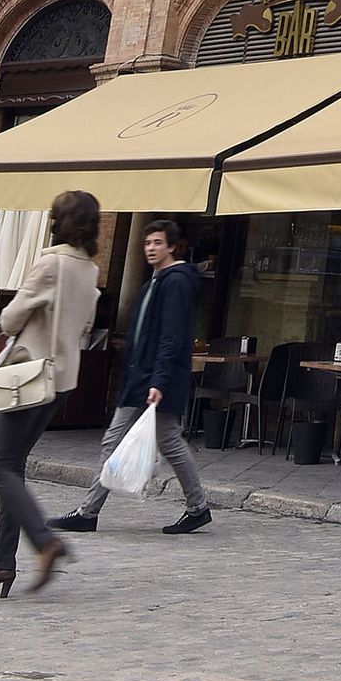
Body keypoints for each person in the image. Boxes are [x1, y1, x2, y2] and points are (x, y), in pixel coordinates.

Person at [0, 188, 100, 598]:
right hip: (61, 380)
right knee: (11, 464)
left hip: (30, 376)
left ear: (59, 222)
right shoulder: (89, 269)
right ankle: (0, 563)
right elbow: (85, 324)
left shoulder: (51, 262)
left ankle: (45, 541)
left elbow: (10, 318)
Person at [50, 217, 211, 539]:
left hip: (154, 380)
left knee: (118, 440)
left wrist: (159, 380)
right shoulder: (156, 282)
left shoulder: (175, 282)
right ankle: (198, 508)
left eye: (157, 243)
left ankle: (88, 512)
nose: (150, 248)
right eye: (147, 242)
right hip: (144, 377)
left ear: (172, 247)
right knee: (169, 441)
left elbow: (172, 336)